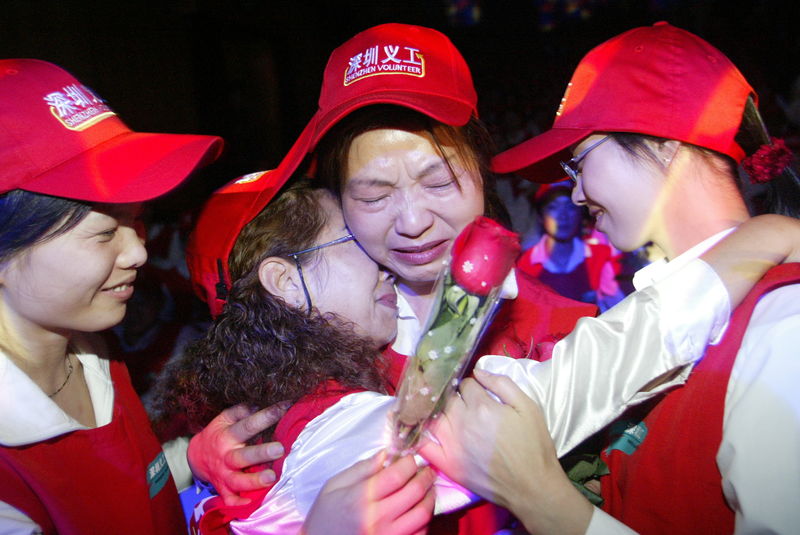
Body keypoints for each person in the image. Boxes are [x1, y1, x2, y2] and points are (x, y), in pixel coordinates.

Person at [187, 23, 798, 534]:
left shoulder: (565, 327)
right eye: (372, 195)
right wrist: (197, 465)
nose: (413, 222)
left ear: (481, 174)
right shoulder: (307, 354)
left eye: (439, 181)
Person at [430, 22, 800, 534]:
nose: (576, 194)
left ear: (665, 144)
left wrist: (542, 499)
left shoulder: (784, 327)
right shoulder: (671, 308)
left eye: (578, 164)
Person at [0, 58, 224, 534]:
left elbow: (121, 493)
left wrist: (193, 459)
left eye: (137, 219)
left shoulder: (92, 349)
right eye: (104, 233)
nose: (139, 251)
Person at [518, 181, 625, 311]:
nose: (563, 216)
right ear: (541, 216)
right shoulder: (525, 265)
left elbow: (619, 308)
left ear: (580, 214)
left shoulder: (601, 257)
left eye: (570, 207)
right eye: (553, 207)